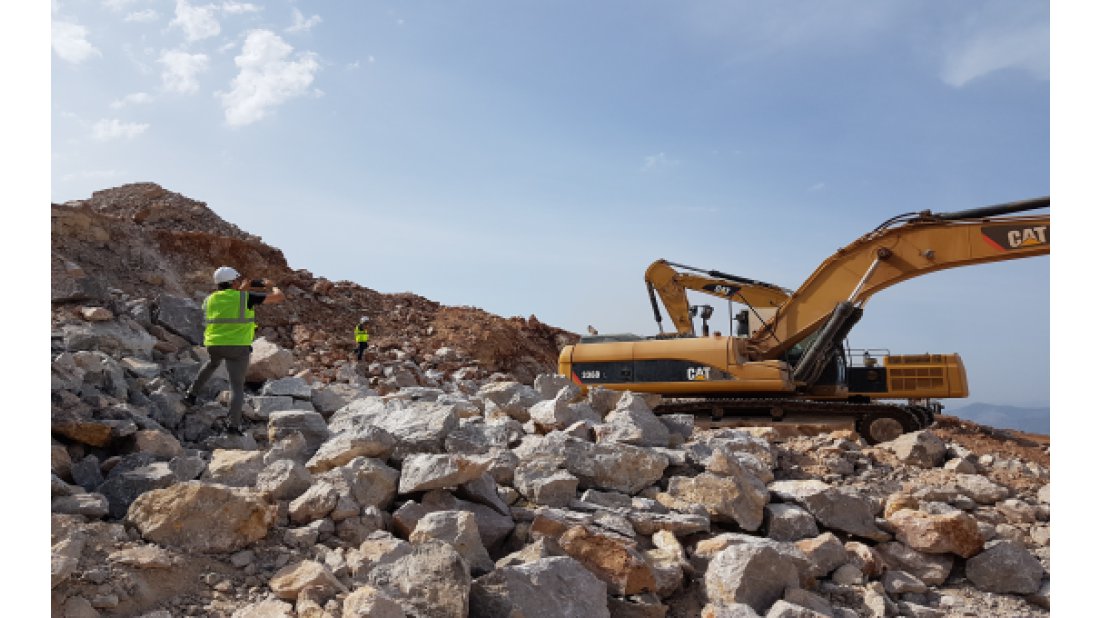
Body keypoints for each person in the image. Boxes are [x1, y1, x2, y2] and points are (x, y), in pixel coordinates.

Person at [185, 266, 286, 434]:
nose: (240, 282)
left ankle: (191, 395)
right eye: (237, 280)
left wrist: (240, 290)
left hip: (214, 345)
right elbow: (279, 297)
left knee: (212, 364)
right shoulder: (246, 297)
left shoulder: (209, 299)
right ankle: (233, 426)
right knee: (236, 386)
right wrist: (270, 285)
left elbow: (229, 303)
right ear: (232, 282)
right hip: (237, 348)